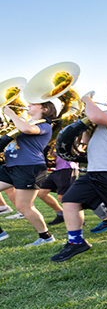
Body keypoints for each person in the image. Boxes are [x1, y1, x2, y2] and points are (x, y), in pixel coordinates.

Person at [50, 92, 107, 262]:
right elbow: (85, 140)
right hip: (95, 171)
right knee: (69, 201)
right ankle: (76, 242)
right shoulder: (104, 120)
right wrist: (86, 126)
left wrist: (87, 100)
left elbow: (96, 116)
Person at [0, 101, 56, 245]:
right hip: (12, 166)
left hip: (29, 168)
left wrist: (11, 114)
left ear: (45, 109)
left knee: (24, 207)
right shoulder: (24, 123)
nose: (28, 105)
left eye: (33, 104)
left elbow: (27, 129)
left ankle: (46, 237)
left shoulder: (44, 125)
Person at [37, 153, 79, 226]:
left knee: (63, 196)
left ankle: (76, 218)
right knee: (41, 193)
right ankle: (61, 214)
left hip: (68, 168)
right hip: (57, 169)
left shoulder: (73, 141)